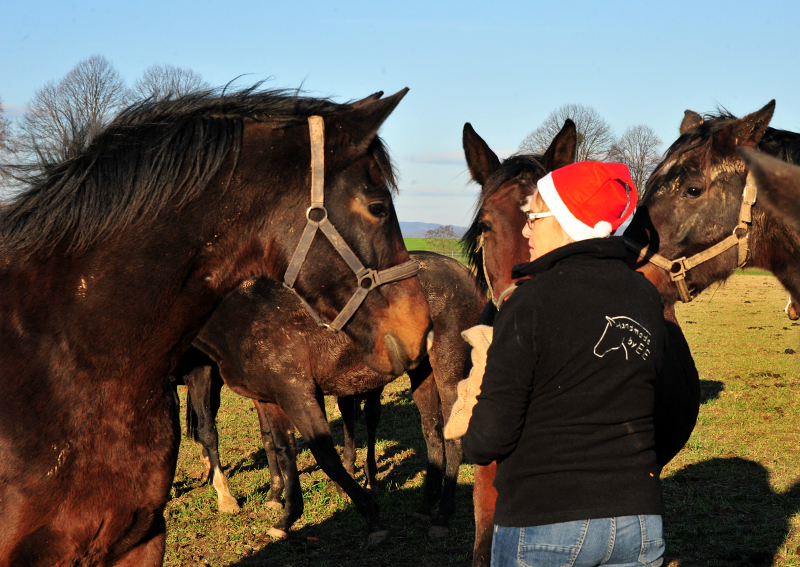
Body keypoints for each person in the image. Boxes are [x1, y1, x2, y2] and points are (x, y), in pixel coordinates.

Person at [461, 161, 690, 567]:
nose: (526, 229)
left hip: (545, 525)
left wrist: (474, 397)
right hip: (638, 526)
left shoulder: (528, 302)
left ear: (567, 222)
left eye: (534, 217)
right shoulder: (645, 298)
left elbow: (486, 442)